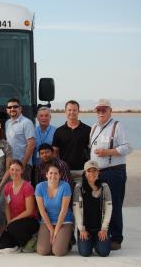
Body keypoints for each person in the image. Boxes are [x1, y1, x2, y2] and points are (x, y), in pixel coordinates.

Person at [89, 98, 132, 250]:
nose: (101, 113)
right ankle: (103, 233)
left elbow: (127, 147)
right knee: (100, 205)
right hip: (98, 173)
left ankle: (116, 238)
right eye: (98, 110)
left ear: (110, 111)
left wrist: (107, 152)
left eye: (104, 110)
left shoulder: (117, 126)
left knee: (114, 204)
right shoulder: (94, 127)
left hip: (114, 172)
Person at [0, 160, 38, 253]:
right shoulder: (7, 187)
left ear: (22, 171)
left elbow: (29, 211)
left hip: (29, 220)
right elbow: (7, 207)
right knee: (1, 246)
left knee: (12, 228)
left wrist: (12, 222)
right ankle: (20, 243)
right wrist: (8, 222)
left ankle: (33, 238)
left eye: (17, 170)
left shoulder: (27, 187)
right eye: (12, 169)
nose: (14, 172)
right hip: (14, 223)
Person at [73, 160, 112, 257]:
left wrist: (104, 229)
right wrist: (81, 229)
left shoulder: (104, 187)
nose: (92, 173)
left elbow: (109, 208)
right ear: (85, 173)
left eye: (94, 171)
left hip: (100, 228)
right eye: (89, 171)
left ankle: (96, 241)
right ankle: (91, 241)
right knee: (85, 253)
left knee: (104, 252)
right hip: (85, 228)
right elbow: (76, 209)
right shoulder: (79, 187)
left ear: (98, 172)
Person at [35, 164, 74, 256]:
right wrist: (51, 230)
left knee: (58, 252)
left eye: (56, 173)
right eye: (51, 173)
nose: (53, 175)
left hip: (64, 221)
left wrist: (55, 231)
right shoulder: (40, 187)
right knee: (43, 251)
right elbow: (42, 211)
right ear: (46, 175)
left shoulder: (65, 186)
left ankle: (68, 241)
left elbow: (63, 211)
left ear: (60, 175)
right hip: (47, 221)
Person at [53, 100, 91, 185]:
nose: (72, 112)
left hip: (82, 171)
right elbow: (55, 152)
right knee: (66, 197)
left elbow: (91, 149)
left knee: (80, 197)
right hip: (64, 171)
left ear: (78, 111)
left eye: (74, 110)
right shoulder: (59, 131)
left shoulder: (88, 130)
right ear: (65, 112)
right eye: (69, 110)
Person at [5, 98, 35, 181]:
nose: (12, 109)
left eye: (15, 106)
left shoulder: (27, 122)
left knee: (24, 191)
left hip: (23, 165)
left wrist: (23, 164)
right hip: (11, 165)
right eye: (9, 107)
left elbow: (31, 144)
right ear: (7, 110)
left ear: (20, 108)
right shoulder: (7, 123)